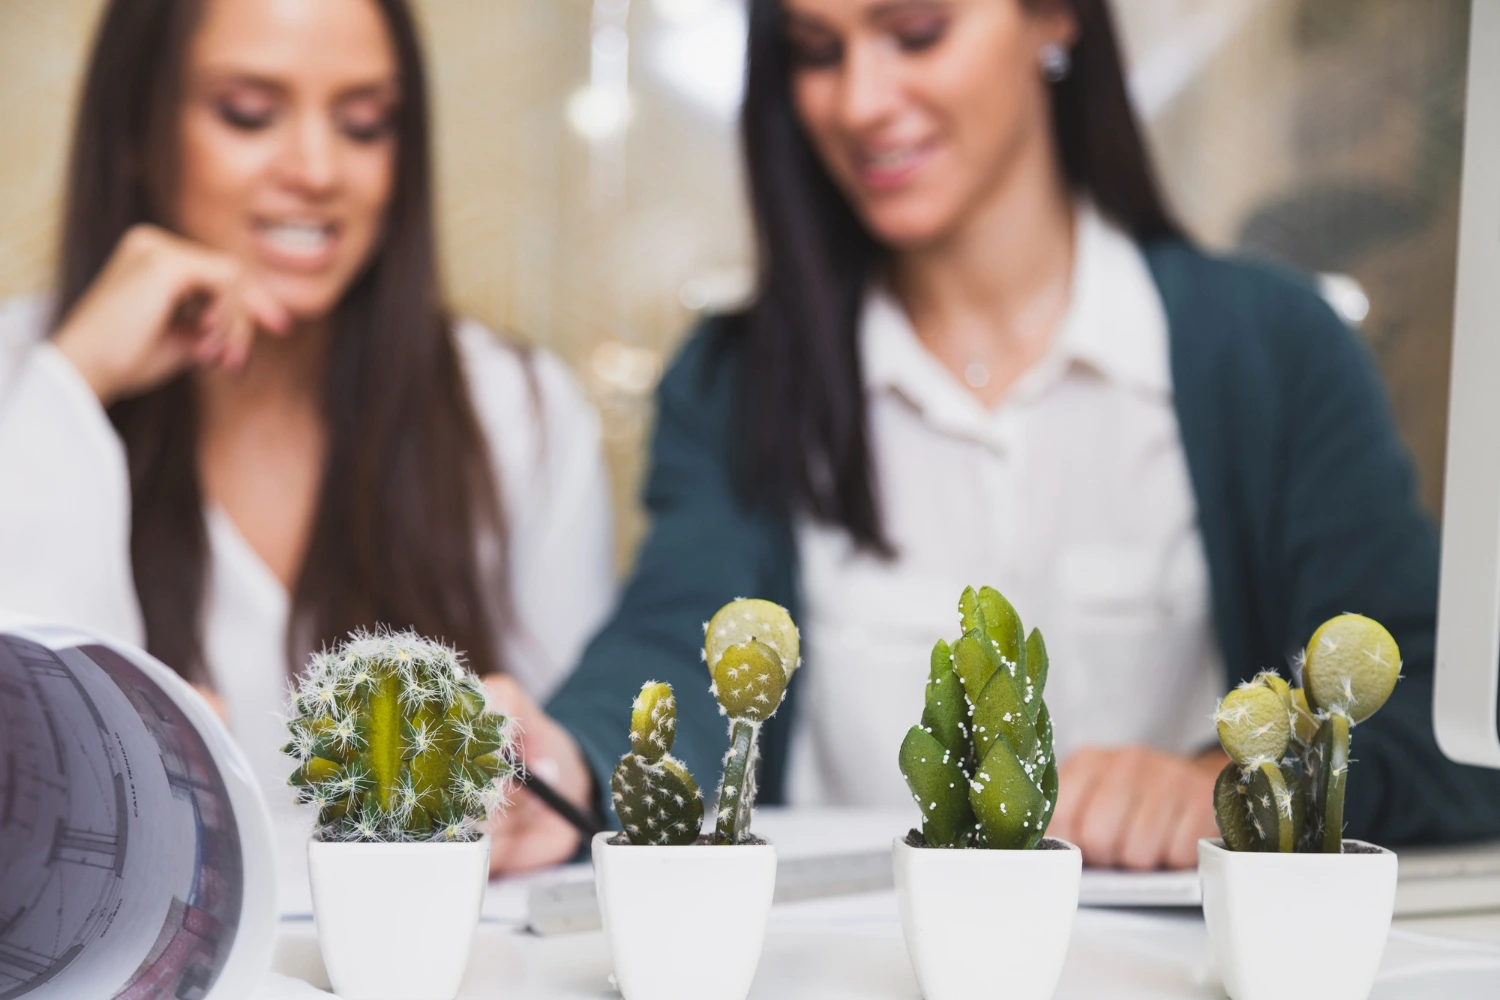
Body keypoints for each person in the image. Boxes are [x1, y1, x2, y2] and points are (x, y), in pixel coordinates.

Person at [487, 0, 1500, 873]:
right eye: (815, 50)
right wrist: (565, 763)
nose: (860, 101)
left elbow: (1433, 719)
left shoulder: (1272, 351)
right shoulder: (735, 374)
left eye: (916, 33)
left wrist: (1237, 784)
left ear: (1054, 19)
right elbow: (680, 637)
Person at [0, 0, 614, 847]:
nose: (318, 168)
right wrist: (73, 382)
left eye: (366, 124)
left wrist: (538, 781)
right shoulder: (24, 379)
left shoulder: (514, 407)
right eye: (248, 114)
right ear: (137, 129)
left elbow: (562, 774)